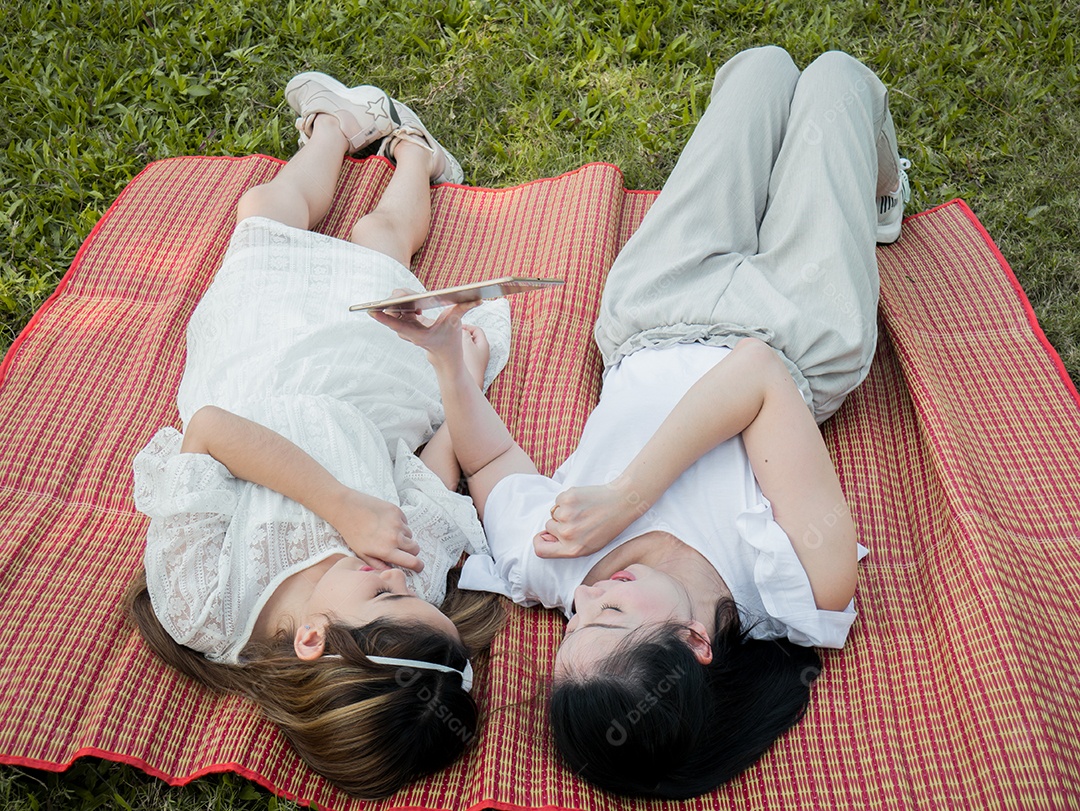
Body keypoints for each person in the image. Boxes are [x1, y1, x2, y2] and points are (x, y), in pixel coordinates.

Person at [373, 46, 909, 798]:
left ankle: (832, 172)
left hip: (652, 315)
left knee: (758, 71)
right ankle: (882, 189)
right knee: (836, 82)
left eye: (572, 624)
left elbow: (492, 465)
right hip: (797, 330)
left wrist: (446, 363)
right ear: (696, 643)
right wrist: (626, 497)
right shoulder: (800, 586)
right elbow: (755, 373)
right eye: (612, 611)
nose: (585, 597)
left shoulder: (556, 566)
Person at [124, 72, 512, 798]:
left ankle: (334, 125)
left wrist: (341, 504)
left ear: (313, 639)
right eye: (416, 592)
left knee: (265, 213)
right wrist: (460, 379)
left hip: (254, 365)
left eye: (390, 595)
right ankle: (416, 153)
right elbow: (428, 481)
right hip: (366, 386)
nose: (406, 577)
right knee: (379, 243)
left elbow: (208, 431)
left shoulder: (204, 602)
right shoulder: (405, 584)